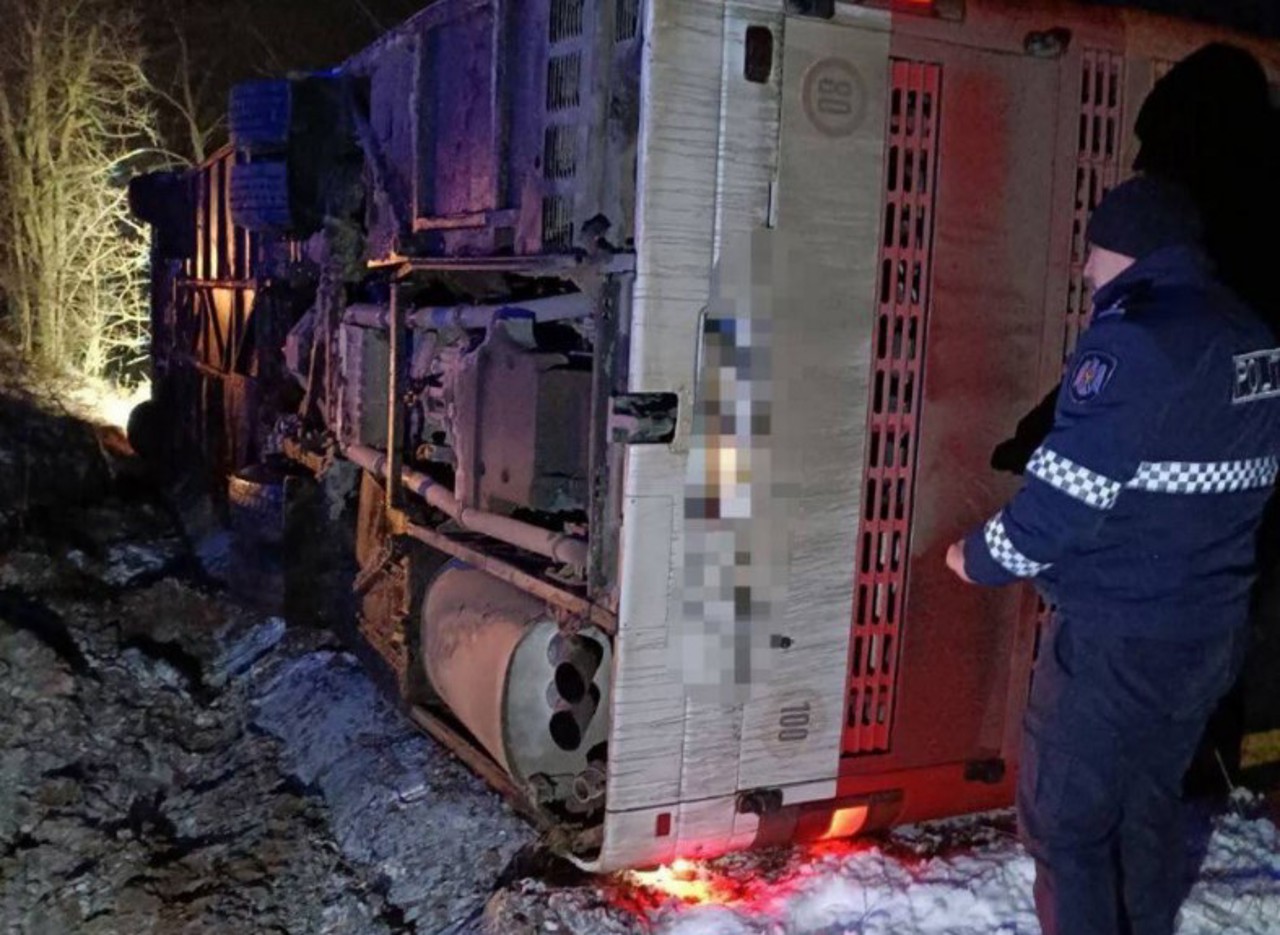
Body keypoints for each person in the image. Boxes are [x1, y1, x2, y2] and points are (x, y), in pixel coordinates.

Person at [945, 176, 1280, 935]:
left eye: (1091, 252)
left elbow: (1057, 506)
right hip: (1210, 632)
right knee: (1147, 803)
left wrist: (977, 556)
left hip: (1120, 636)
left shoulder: (1134, 340)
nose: (1086, 269)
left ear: (1123, 251)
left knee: (1069, 824)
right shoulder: (1251, 335)